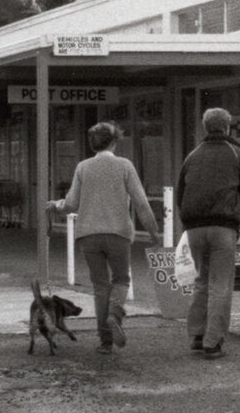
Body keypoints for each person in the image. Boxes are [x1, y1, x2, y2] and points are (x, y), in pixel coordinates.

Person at [49, 121, 159, 355]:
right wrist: (153, 231)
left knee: (100, 286)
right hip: (118, 233)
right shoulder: (124, 166)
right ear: (115, 141)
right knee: (121, 280)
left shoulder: (83, 167)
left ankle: (105, 342)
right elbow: (141, 203)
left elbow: (71, 204)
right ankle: (115, 314)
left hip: (88, 235)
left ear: (92, 144)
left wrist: (57, 205)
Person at [174, 107, 240, 358]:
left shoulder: (192, 155)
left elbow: (181, 193)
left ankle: (197, 335)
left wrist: (186, 222)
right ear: (228, 126)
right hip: (223, 226)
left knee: (201, 281)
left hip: (194, 227)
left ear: (204, 126)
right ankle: (213, 341)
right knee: (221, 284)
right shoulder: (237, 154)